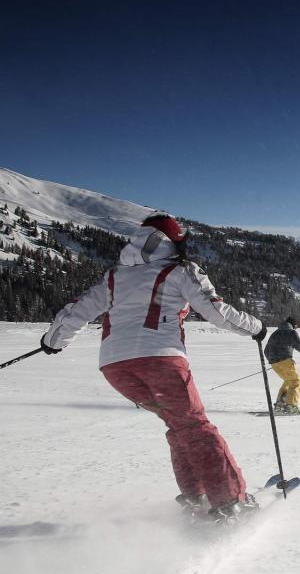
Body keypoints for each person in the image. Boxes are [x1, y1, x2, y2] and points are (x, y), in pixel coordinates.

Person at [39, 212, 266, 522]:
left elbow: (78, 310)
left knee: (178, 424)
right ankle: (229, 501)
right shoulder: (179, 270)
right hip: (161, 360)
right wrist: (256, 328)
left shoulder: (116, 276)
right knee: (194, 426)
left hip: (117, 368)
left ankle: (196, 495)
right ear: (174, 242)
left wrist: (54, 340)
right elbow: (216, 311)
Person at [263, 317, 300, 414]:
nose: (296, 328)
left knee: (288, 380)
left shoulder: (275, 333)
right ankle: (291, 406)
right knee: (295, 381)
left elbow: (266, 350)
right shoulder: (291, 332)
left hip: (274, 363)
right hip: (286, 361)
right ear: (293, 325)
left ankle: (280, 404)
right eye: (296, 326)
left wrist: (273, 360)